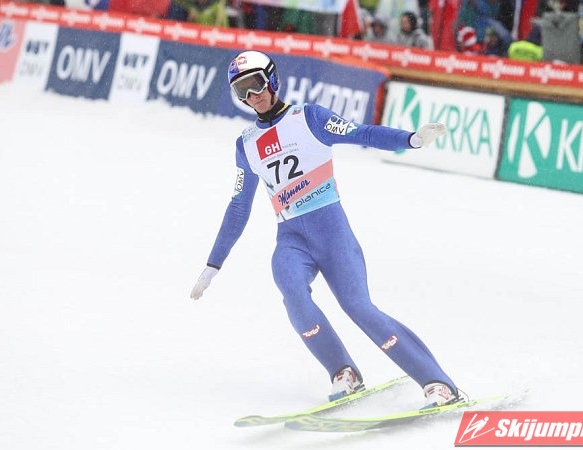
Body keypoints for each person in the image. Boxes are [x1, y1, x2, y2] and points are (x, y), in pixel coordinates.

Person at [190, 50, 466, 407]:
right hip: (291, 240)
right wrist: (213, 264)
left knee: (360, 309)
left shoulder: (310, 118)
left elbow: (362, 133)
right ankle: (343, 372)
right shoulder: (245, 144)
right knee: (293, 295)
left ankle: (438, 383)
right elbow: (239, 206)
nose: (252, 96)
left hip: (332, 233)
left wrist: (411, 139)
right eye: (242, 90)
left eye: (256, 84)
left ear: (272, 80)